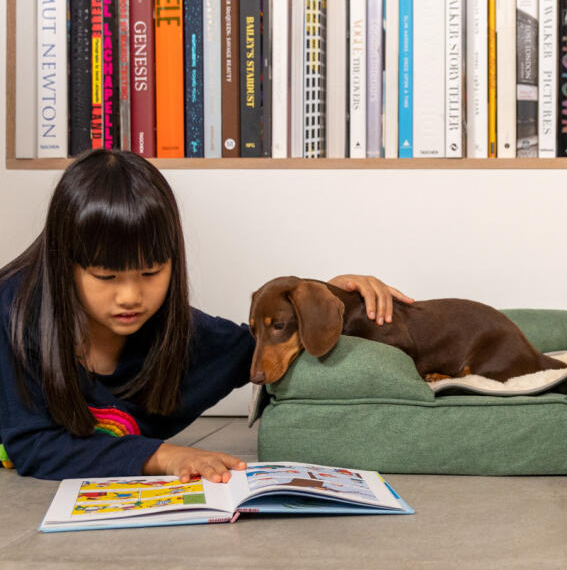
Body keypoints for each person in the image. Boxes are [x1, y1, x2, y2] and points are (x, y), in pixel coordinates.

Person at [0, 150, 413, 482]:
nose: (130, 296)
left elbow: (269, 342)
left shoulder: (179, 335)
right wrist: (164, 457)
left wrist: (329, 298)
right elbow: (37, 446)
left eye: (151, 272)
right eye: (106, 276)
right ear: (63, 266)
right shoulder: (15, 313)